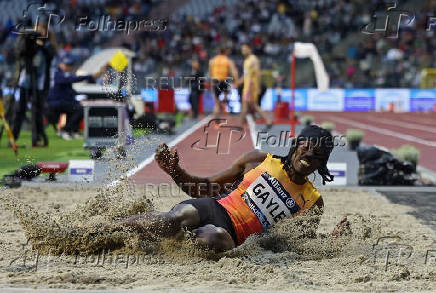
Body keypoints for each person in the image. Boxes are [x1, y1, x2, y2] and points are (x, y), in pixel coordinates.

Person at [117, 125, 347, 252]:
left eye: (317, 155)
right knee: (178, 216)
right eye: (306, 148)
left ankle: (159, 245)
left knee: (214, 238)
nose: (309, 156)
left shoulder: (313, 201)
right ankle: (107, 229)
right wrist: (175, 172)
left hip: (234, 236)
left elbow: (301, 242)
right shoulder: (257, 161)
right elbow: (203, 188)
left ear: (322, 164)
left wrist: (333, 241)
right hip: (214, 207)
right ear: (296, 145)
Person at [12, 23, 56, 147]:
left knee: (37, 111)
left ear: (45, 32)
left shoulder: (48, 46)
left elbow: (50, 56)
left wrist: (39, 45)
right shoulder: (28, 45)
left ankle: (38, 137)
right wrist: (25, 41)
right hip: (25, 82)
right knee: (20, 109)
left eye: (39, 30)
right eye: (34, 30)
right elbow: (19, 54)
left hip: (40, 84)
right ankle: (13, 136)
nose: (36, 32)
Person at [46, 57, 107, 140]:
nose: (68, 67)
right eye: (66, 65)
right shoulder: (58, 74)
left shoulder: (62, 74)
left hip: (61, 102)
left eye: (70, 65)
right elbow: (74, 79)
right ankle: (65, 130)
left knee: (77, 107)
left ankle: (73, 131)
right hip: (56, 102)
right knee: (79, 109)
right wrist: (90, 76)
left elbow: (70, 90)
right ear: (60, 64)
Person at [238, 44, 271, 126]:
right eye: (242, 50)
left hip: (251, 86)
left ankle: (241, 124)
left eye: (245, 49)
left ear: (250, 49)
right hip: (246, 85)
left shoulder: (253, 59)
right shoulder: (246, 61)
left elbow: (258, 73)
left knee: (247, 105)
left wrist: (258, 86)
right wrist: (238, 82)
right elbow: (245, 75)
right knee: (253, 105)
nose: (243, 51)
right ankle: (267, 120)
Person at [209, 47, 238, 117]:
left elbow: (210, 73)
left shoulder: (212, 61)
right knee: (226, 93)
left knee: (216, 101)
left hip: (216, 81)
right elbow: (234, 72)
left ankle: (215, 114)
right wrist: (236, 82)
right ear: (225, 52)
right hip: (225, 80)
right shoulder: (228, 60)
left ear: (219, 51)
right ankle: (225, 98)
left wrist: (211, 82)